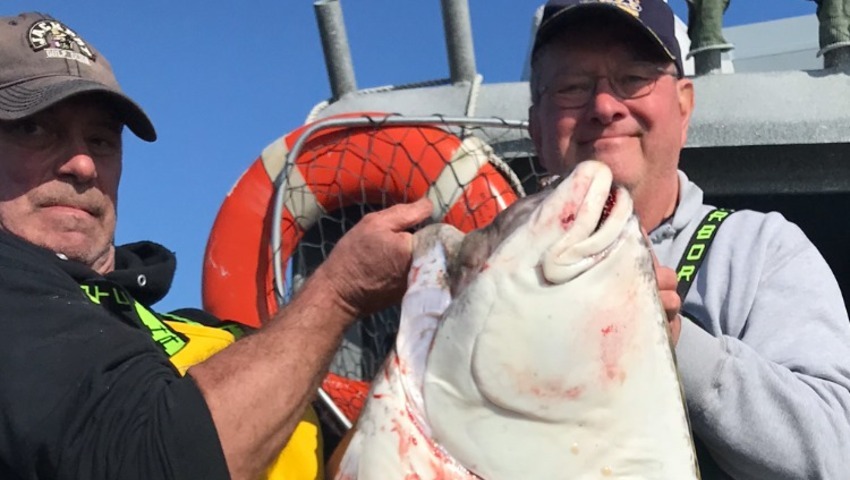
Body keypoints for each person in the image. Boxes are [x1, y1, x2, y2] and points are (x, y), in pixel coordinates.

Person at [0, 11, 432, 480]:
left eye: (102, 140)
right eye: (34, 129)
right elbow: (156, 462)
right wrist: (339, 292)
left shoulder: (211, 336)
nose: (83, 165)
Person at [528, 0, 850, 478]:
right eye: (573, 87)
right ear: (535, 126)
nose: (603, 106)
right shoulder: (491, 267)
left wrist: (676, 342)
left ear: (683, 106)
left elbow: (835, 451)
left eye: (634, 78)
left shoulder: (762, 249)